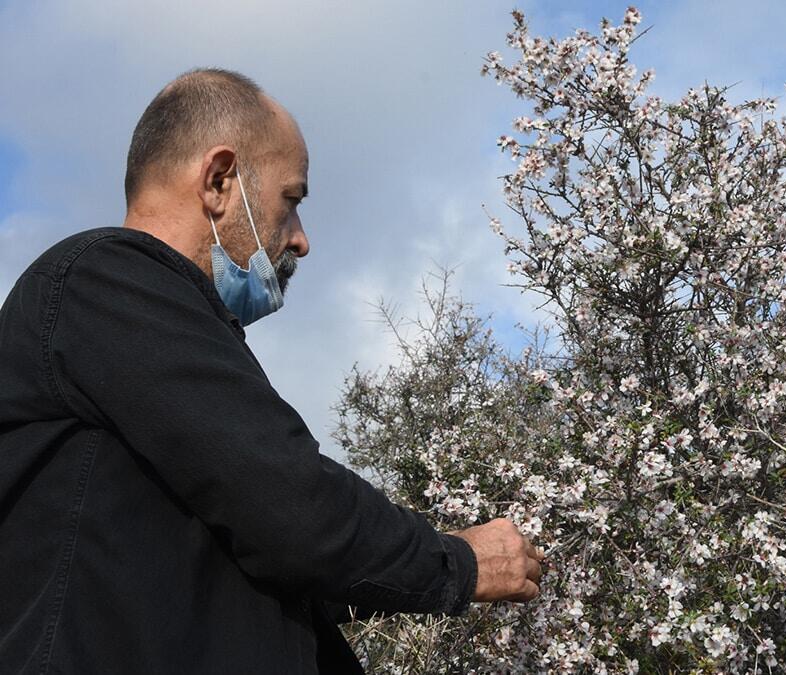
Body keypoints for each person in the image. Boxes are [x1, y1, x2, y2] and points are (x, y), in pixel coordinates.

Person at [0, 68, 543, 674]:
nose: (302, 239)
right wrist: (456, 562)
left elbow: (259, 546)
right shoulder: (106, 280)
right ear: (219, 181)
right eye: (291, 200)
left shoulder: (143, 332)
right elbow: (290, 506)